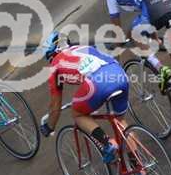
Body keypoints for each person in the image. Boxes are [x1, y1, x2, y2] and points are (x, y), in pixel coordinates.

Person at [39, 32, 128, 163]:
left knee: (78, 113)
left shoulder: (54, 66)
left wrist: (49, 127)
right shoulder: (83, 47)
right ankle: (138, 164)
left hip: (97, 82)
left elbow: (55, 105)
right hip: (118, 73)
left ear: (50, 54)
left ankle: (107, 143)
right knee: (121, 123)